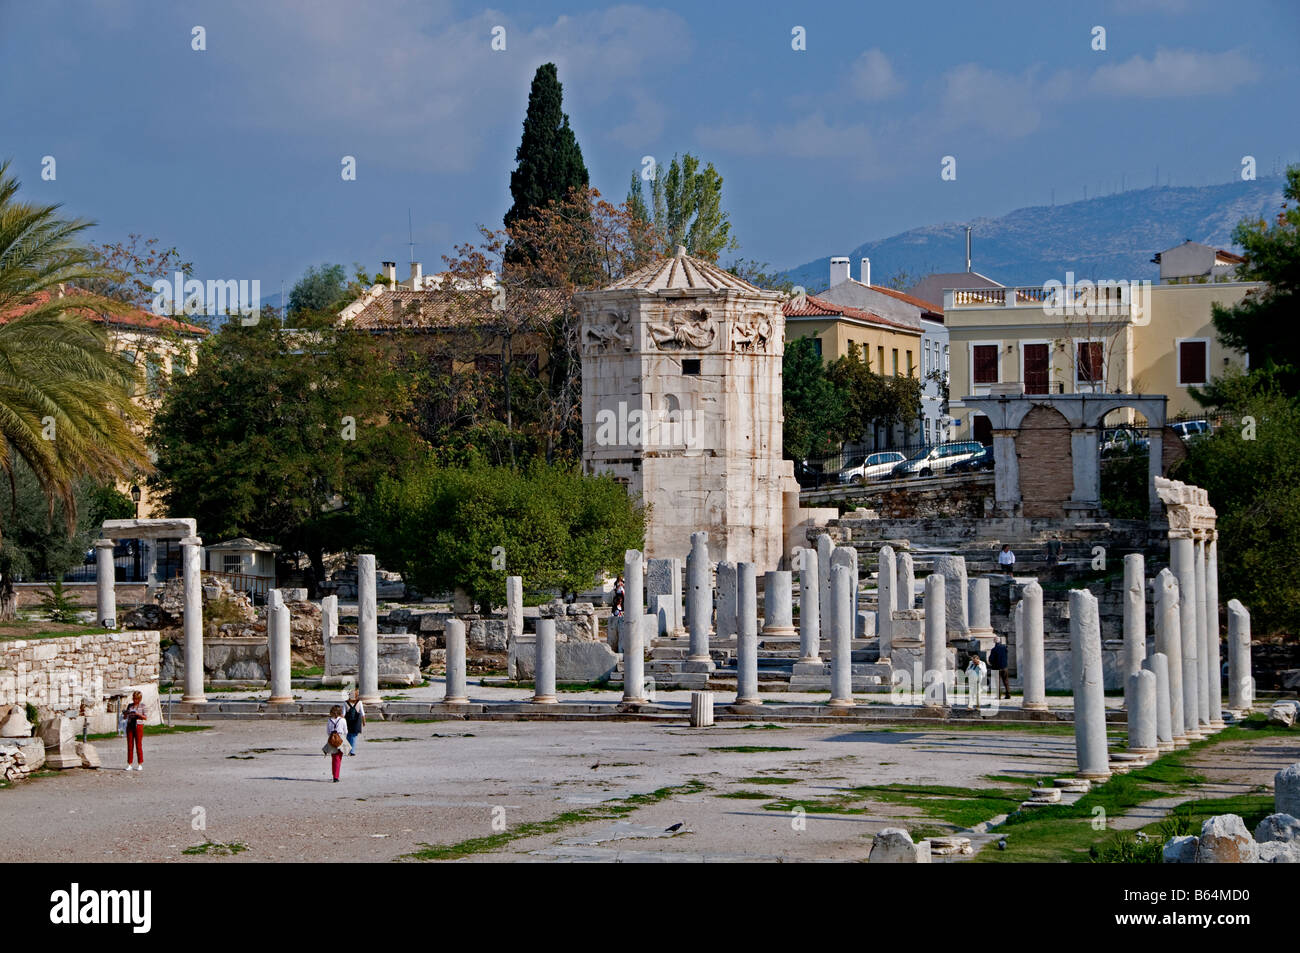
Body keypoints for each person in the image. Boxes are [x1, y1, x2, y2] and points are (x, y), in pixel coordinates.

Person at [322, 705, 351, 782]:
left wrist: (332, 736)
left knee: (334, 757)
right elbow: (346, 731)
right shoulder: (343, 720)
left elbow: (328, 731)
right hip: (341, 738)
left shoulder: (329, 720)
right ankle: (336, 776)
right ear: (340, 712)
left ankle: (335, 775)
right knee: (338, 758)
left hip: (332, 738)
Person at [123, 690, 148, 771]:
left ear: (139, 699)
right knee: (130, 745)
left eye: (136, 699)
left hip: (138, 725)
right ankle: (129, 763)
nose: (135, 700)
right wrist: (126, 714)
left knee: (138, 745)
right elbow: (125, 717)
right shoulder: (130, 706)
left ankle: (140, 763)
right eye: (134, 698)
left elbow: (145, 717)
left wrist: (138, 714)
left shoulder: (143, 706)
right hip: (130, 725)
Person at [344, 690, 365, 756]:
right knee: (354, 736)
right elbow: (362, 713)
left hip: (348, 721)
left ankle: (347, 750)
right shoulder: (359, 702)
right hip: (356, 722)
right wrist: (364, 722)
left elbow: (343, 714)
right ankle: (352, 751)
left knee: (348, 735)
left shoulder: (345, 703)